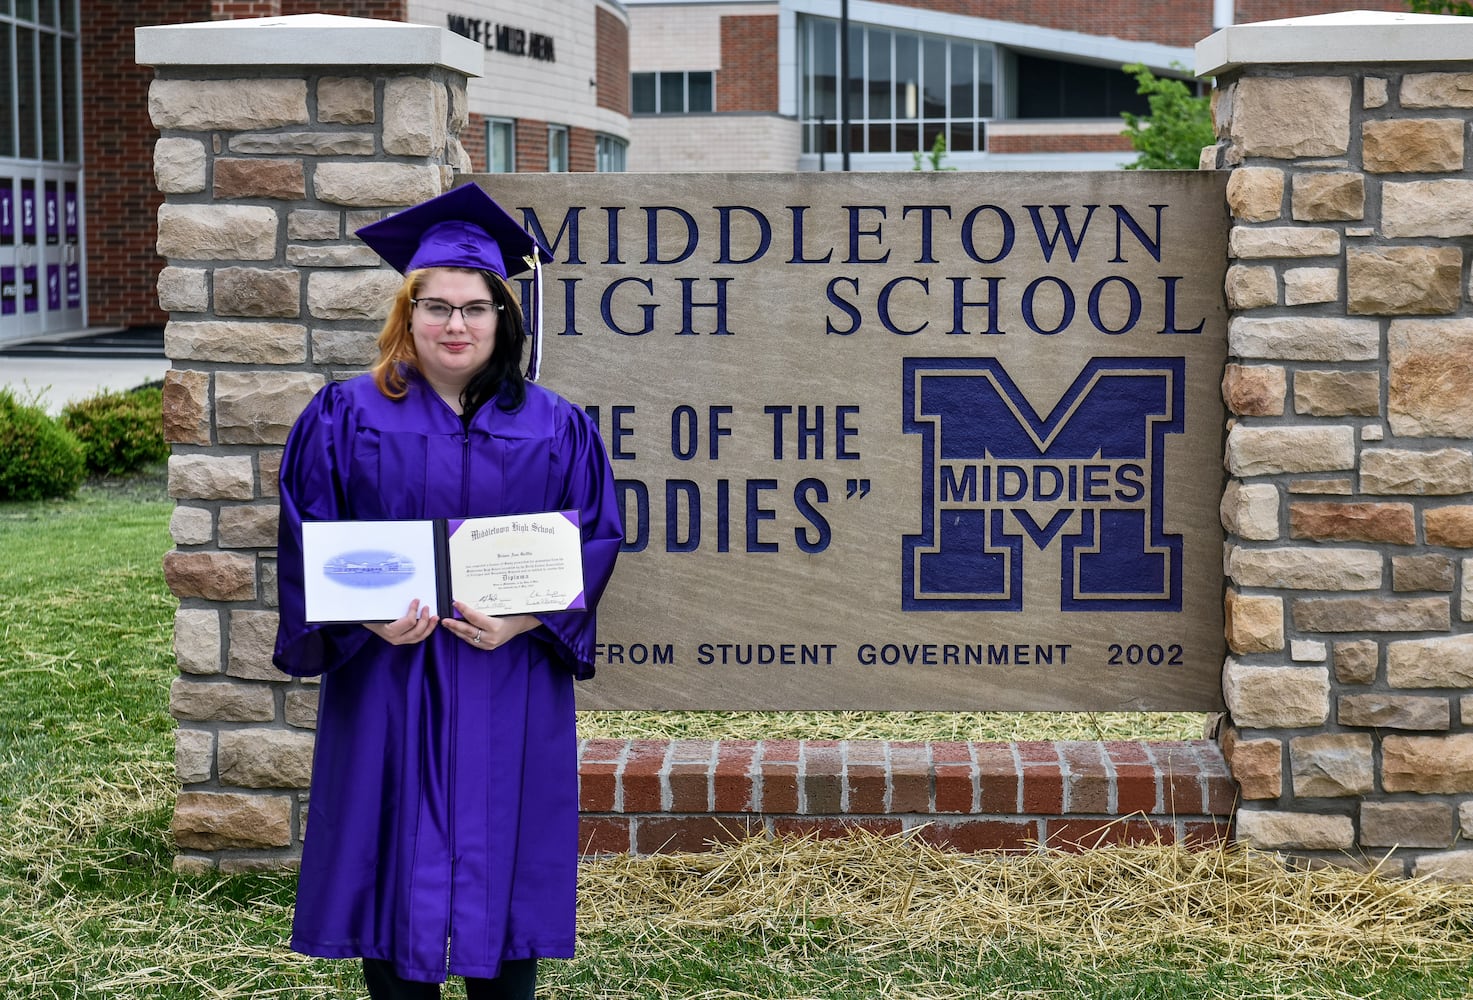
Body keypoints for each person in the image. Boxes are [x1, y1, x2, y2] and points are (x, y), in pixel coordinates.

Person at [272, 182, 623, 999]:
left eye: (475, 307)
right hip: (389, 675)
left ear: (503, 317)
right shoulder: (343, 416)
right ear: (408, 313)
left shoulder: (554, 425)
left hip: (506, 677)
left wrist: (526, 618)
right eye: (436, 307)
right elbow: (308, 531)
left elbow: (594, 536)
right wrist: (367, 618)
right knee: (392, 860)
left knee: (504, 864)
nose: (455, 325)